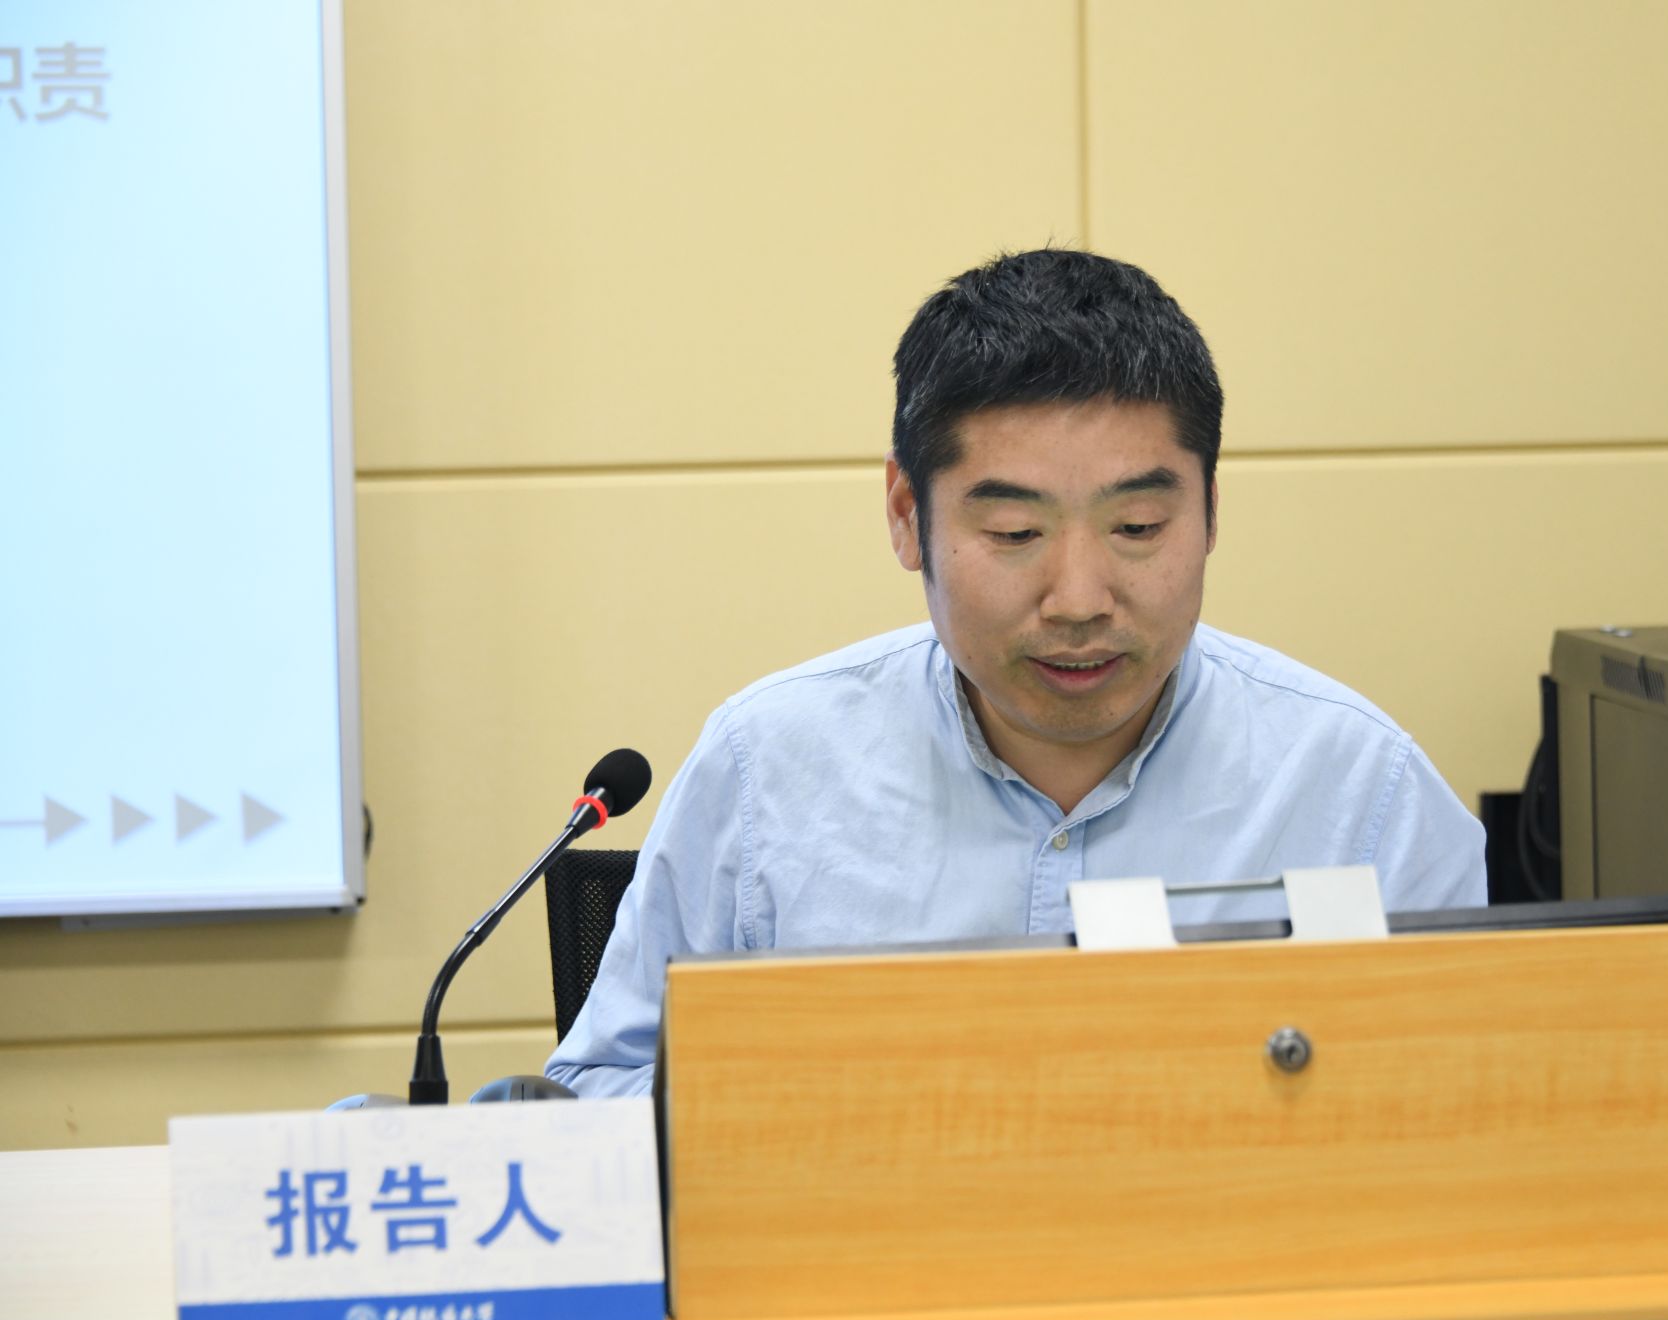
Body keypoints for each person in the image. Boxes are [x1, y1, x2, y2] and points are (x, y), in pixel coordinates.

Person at [546, 249, 1484, 1097]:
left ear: (1210, 510)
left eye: (1138, 528)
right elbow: (593, 1095)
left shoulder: (1364, 790)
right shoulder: (766, 767)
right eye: (1015, 532)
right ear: (907, 515)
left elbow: (1475, 1110)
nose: (1078, 599)